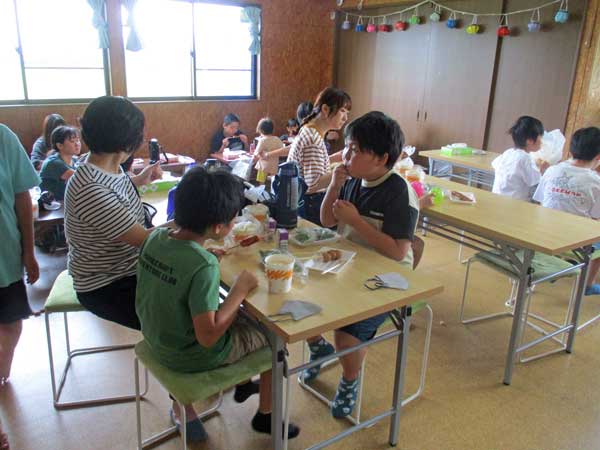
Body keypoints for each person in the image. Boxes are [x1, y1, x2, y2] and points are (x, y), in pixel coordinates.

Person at [136, 167, 300, 441]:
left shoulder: (154, 238)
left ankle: (244, 384)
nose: (234, 223)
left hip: (156, 339)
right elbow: (208, 336)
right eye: (233, 219)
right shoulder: (203, 265)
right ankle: (266, 415)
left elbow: (177, 270)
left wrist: (202, 255)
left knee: (246, 316)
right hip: (190, 355)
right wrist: (239, 290)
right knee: (274, 333)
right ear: (217, 227)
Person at [299, 111, 419, 419]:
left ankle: (350, 379)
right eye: (347, 147)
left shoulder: (399, 192)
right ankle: (318, 346)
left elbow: (398, 252)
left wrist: (356, 222)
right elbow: (327, 220)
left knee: (346, 336)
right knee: (297, 294)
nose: (345, 155)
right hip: (350, 266)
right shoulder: (352, 180)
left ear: (381, 158)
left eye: (354, 149)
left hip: (388, 279)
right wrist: (333, 186)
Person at [64, 96, 162, 331]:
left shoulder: (102, 165)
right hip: (107, 285)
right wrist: (194, 217)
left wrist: (139, 180)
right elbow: (146, 240)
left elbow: (112, 191)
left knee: (191, 284)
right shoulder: (89, 188)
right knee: (184, 319)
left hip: (130, 268)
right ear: (129, 141)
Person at [533, 126, 600, 295]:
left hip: (542, 234)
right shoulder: (596, 182)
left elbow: (539, 201)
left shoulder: (552, 170)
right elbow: (595, 219)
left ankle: (557, 263)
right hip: (574, 240)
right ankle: (587, 285)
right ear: (598, 157)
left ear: (570, 150)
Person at [0, 124, 41, 386]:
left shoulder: (3, 137)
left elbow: (21, 198)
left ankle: (3, 367)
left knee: (11, 321)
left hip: (4, 253)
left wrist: (29, 251)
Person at [287, 87, 351, 225]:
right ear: (325, 109)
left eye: (347, 113)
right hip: (311, 203)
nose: (346, 118)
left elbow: (307, 164)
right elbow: (313, 184)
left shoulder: (309, 130)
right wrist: (347, 170)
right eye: (342, 111)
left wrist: (331, 159)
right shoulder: (313, 139)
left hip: (301, 199)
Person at [492, 116, 549, 201]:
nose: (541, 141)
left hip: (497, 197)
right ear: (529, 141)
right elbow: (533, 181)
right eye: (540, 137)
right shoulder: (525, 158)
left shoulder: (508, 152)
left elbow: (494, 163)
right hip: (513, 202)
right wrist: (542, 169)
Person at [39, 126, 81, 201]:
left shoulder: (75, 160)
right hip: (49, 205)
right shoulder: (53, 162)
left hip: (63, 202)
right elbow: (80, 178)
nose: (77, 144)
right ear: (59, 145)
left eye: (77, 140)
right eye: (72, 141)